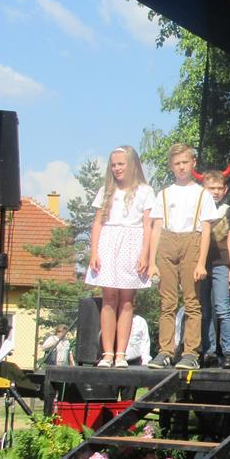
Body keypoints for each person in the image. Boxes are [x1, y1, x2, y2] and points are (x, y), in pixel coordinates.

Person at [148, 143, 220, 371]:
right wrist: (151, 262)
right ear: (171, 166)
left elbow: (206, 229)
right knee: (167, 302)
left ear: (193, 163)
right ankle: (165, 351)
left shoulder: (202, 194)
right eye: (177, 163)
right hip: (167, 241)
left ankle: (191, 352)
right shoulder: (164, 193)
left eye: (185, 162)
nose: (181, 167)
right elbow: (156, 227)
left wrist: (201, 263)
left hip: (192, 241)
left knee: (192, 301)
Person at [85, 145, 155, 368]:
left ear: (132, 165)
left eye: (121, 164)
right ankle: (107, 353)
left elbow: (148, 225)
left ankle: (121, 354)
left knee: (126, 300)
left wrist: (145, 254)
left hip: (133, 242)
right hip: (108, 242)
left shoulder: (145, 191)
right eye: (113, 165)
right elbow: (97, 222)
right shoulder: (106, 190)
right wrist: (94, 252)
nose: (117, 168)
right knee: (109, 298)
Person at [197, 166, 230, 369]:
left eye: (218, 188)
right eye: (211, 188)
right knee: (204, 309)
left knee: (223, 308)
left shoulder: (228, 211)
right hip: (201, 264)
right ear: (203, 189)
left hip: (221, 263)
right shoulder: (198, 210)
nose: (215, 192)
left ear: (225, 190)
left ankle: (229, 351)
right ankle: (209, 351)